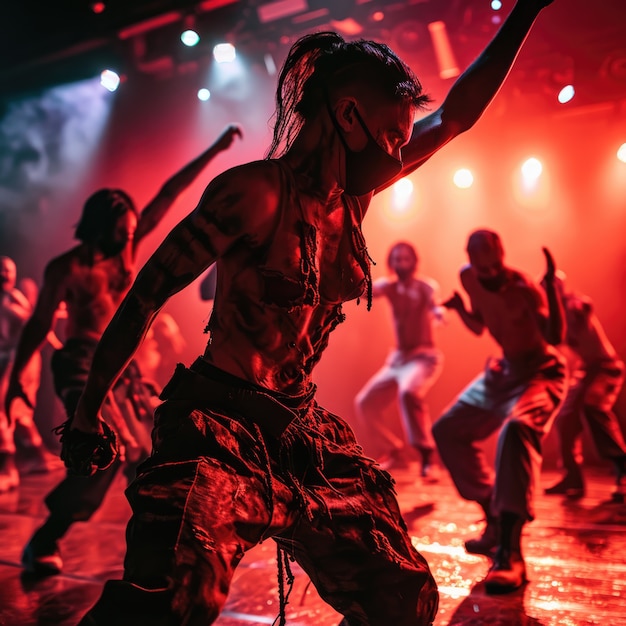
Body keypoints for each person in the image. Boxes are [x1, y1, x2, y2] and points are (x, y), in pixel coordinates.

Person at [63, 3, 559, 624]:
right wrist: (87, 414)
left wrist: (527, 10)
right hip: (220, 427)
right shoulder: (254, 193)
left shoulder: (354, 199)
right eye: (394, 135)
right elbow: (146, 294)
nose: (403, 150)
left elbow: (456, 116)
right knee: (171, 597)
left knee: (400, 597)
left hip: (303, 434)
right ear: (349, 116)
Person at [4, 124, 242, 575]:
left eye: (132, 230)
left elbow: (170, 194)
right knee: (98, 446)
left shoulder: (126, 250)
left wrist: (215, 148)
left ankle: (155, 550)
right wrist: (17, 378)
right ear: (99, 227)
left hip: (123, 367)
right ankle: (46, 539)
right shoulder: (67, 268)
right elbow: (37, 326)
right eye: (120, 231)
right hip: (78, 361)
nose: (128, 239)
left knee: (149, 452)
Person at [434, 229, 566, 595]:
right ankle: (493, 516)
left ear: (502, 255)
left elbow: (555, 336)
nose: (489, 272)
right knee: (448, 429)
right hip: (504, 371)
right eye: (482, 266)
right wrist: (461, 309)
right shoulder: (468, 278)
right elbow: (480, 325)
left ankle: (511, 553)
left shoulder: (523, 287)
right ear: (471, 262)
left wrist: (551, 288)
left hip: (541, 371)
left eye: (495, 264)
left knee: (518, 428)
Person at [354, 242, 443, 477]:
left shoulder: (425, 286)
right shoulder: (389, 287)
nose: (401, 263)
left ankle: (426, 457)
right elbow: (365, 292)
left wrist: (438, 313)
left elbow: (435, 306)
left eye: (405, 258)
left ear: (414, 261)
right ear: (391, 263)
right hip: (397, 361)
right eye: (397, 259)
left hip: (423, 358)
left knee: (408, 393)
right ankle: (393, 450)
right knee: (365, 402)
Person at [544, 272, 626, 502]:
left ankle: (621, 464)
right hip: (585, 371)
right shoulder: (552, 317)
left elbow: (583, 306)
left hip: (606, 367)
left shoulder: (572, 305)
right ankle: (572, 476)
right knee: (564, 418)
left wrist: (576, 307)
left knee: (593, 406)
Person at [0, 257, 60, 492]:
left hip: (15, 361)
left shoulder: (14, 298)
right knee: (20, 412)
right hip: (9, 359)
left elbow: (36, 326)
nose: (4, 274)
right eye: (1, 270)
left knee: (5, 409)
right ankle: (39, 457)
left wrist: (57, 346)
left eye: (8, 270)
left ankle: (7, 469)